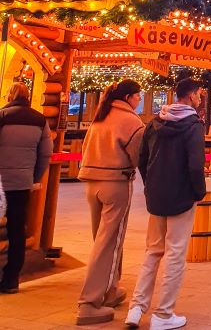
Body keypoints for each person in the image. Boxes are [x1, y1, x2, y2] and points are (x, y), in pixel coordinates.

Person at [125, 77, 206, 330]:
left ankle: (136, 308)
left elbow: (142, 158)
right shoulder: (193, 126)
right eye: (199, 94)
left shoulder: (156, 121)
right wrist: (198, 192)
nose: (201, 98)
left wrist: (151, 185)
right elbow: (195, 164)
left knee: (152, 251)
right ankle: (163, 314)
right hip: (181, 196)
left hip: (157, 195)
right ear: (191, 96)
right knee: (175, 254)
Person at [76, 79, 143, 325]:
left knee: (101, 240)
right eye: (138, 96)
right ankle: (89, 303)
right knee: (109, 243)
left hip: (91, 182)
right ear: (128, 97)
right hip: (115, 183)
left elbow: (85, 148)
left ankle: (110, 289)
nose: (139, 101)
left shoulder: (100, 115)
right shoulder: (131, 122)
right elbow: (139, 156)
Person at [0, 83, 52, 294]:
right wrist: (34, 177)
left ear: (10, 95)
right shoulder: (40, 120)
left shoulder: (2, 115)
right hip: (22, 183)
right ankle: (12, 278)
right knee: (16, 229)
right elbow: (46, 154)